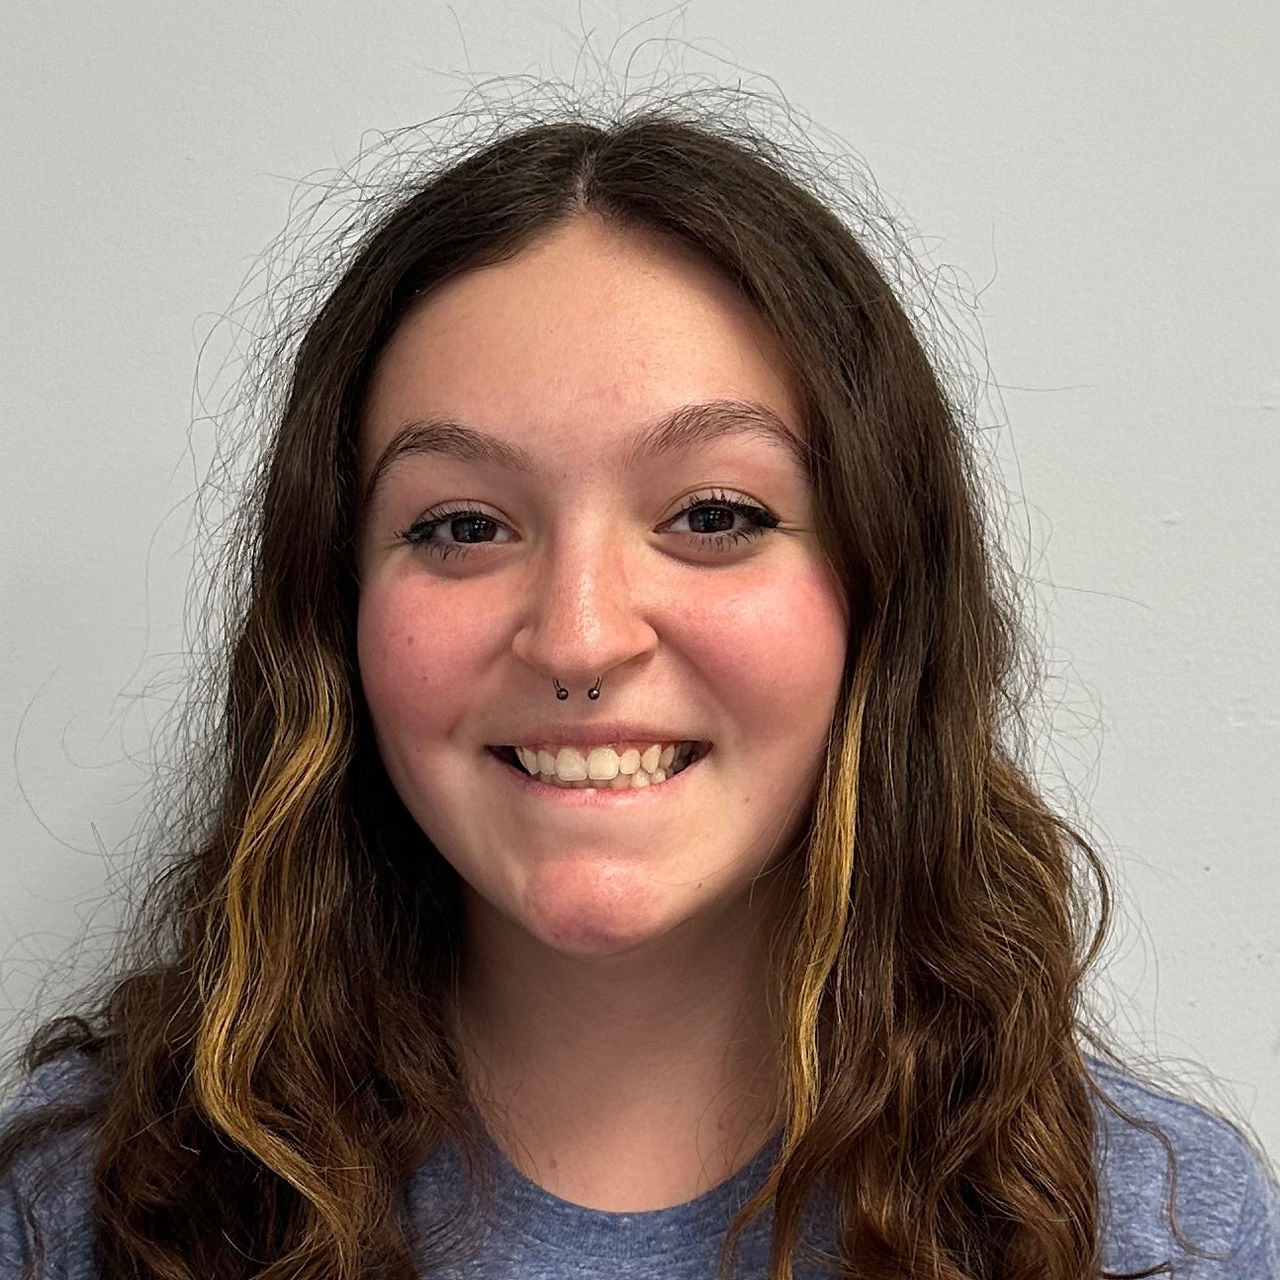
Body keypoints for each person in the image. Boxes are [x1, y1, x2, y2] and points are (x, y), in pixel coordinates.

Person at [1, 97, 1277, 1280]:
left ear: (882, 597)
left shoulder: (1158, 1231)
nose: (578, 637)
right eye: (460, 525)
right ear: (333, 613)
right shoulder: (80, 1211)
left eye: (712, 514)